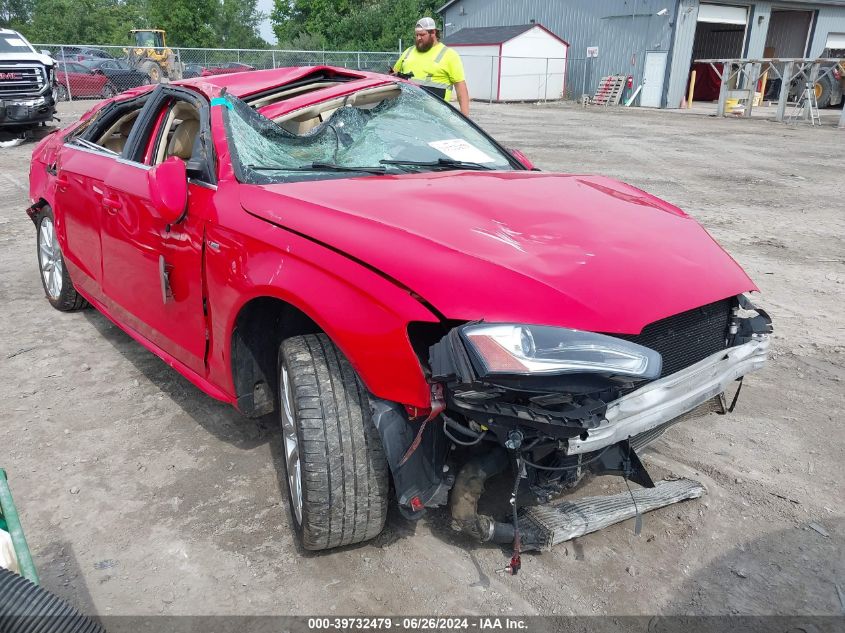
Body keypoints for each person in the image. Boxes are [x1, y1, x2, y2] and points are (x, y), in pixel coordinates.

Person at [392, 17, 470, 116]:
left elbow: (461, 89)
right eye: (416, 35)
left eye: (422, 35)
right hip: (407, 114)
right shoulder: (408, 52)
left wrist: (465, 119)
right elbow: (391, 77)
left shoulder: (449, 55)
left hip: (436, 118)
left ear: (433, 33)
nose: (418, 38)